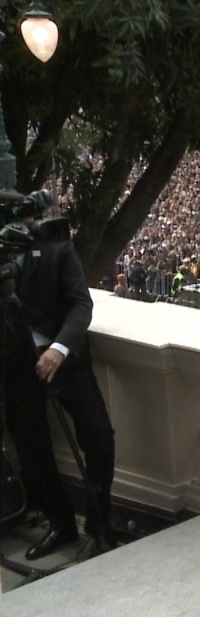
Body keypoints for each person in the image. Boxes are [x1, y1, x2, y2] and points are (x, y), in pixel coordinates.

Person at [2, 192, 116, 560]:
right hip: (18, 359)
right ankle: (60, 521)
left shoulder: (56, 247)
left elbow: (81, 303)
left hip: (65, 358)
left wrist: (58, 349)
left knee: (98, 435)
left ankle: (100, 523)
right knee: (30, 443)